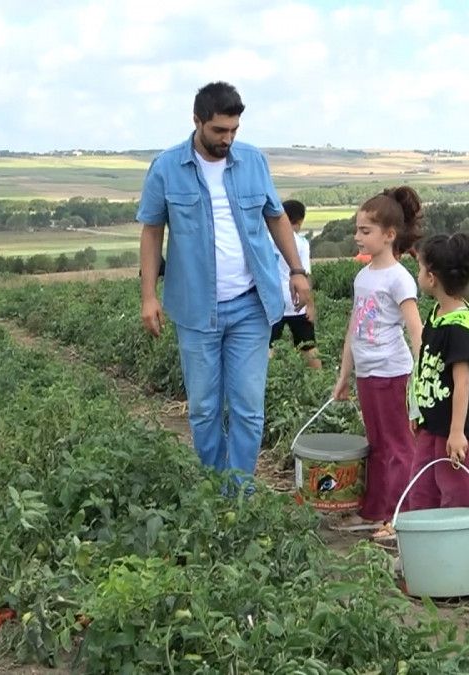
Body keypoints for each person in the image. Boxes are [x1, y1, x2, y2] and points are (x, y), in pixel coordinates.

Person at [137, 81, 312, 489]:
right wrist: (148, 296)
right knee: (203, 408)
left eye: (234, 130)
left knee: (249, 408)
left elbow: (276, 217)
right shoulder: (166, 168)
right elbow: (151, 232)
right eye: (219, 131)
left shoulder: (252, 161)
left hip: (251, 304)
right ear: (197, 121)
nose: (227, 139)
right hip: (196, 308)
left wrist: (297, 270)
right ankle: (216, 489)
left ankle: (241, 493)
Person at [331, 187, 424, 540]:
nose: (358, 237)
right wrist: (344, 375)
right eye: (357, 229)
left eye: (365, 231)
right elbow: (354, 329)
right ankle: (376, 511)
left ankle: (399, 516)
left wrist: (423, 376)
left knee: (398, 446)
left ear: (389, 235)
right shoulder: (363, 276)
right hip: (368, 374)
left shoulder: (399, 277)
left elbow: (416, 331)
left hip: (392, 372)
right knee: (377, 443)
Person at [402, 232, 469, 513]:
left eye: (420, 268)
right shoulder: (437, 314)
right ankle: (425, 538)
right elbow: (425, 367)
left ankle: (459, 544)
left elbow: (462, 384)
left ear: (431, 278)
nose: (417, 274)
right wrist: (417, 410)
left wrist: (456, 433)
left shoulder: (459, 327)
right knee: (422, 482)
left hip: (453, 427)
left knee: (454, 487)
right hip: (432, 421)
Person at [270, 199, 321, 369]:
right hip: (297, 299)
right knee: (308, 345)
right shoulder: (301, 243)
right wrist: (311, 306)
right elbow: (305, 275)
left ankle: (266, 383)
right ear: (299, 221)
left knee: (267, 347)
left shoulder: (267, 239)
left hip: (272, 299)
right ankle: (320, 381)